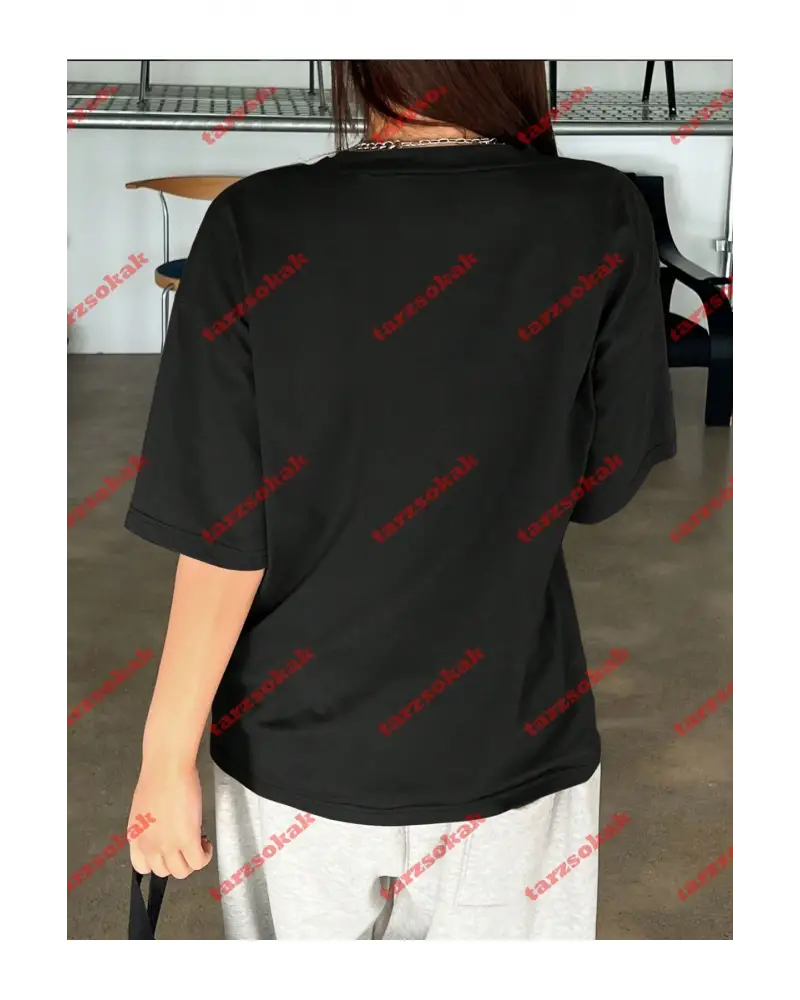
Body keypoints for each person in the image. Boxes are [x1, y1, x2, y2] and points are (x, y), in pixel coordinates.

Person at [125, 59, 676, 941]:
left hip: (296, 748)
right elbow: (604, 486)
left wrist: (164, 759)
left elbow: (222, 533)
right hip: (509, 733)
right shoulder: (598, 210)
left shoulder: (255, 220)